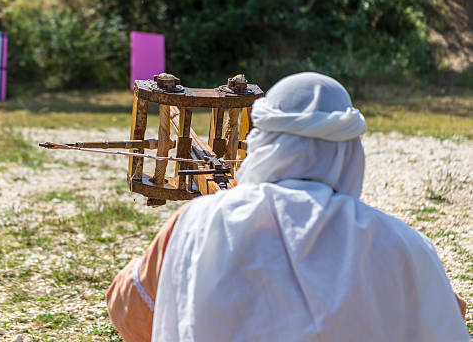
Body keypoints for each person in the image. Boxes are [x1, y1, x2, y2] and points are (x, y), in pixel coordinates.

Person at [106, 72, 469, 342]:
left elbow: (128, 309)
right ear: (350, 154)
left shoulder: (196, 224)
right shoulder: (403, 244)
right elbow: (448, 315)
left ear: (262, 143)